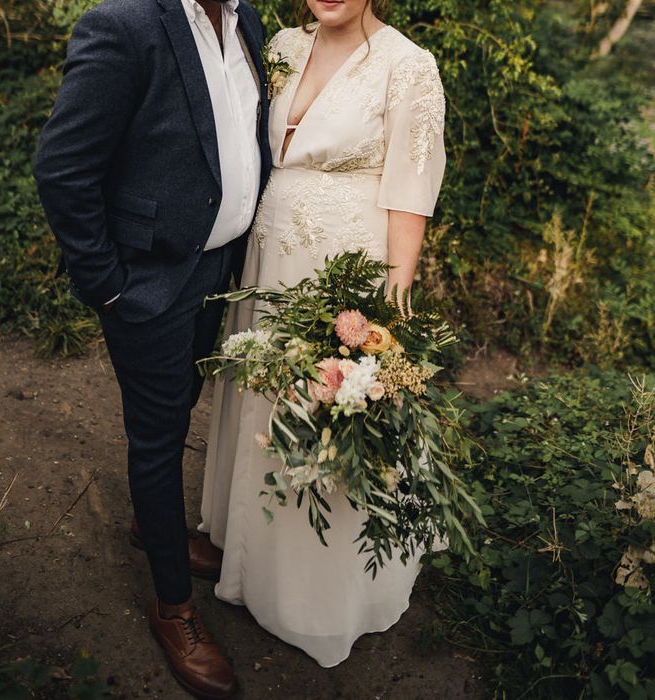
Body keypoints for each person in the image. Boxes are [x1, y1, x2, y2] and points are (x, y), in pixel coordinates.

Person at [33, 0, 271, 696]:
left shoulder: (247, 20)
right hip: (147, 282)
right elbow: (62, 169)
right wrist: (107, 286)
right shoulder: (125, 25)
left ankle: (152, 521)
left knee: (182, 404)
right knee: (160, 435)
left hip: (217, 270)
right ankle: (174, 609)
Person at [200, 0, 447, 668]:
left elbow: (411, 195)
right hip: (266, 262)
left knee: (327, 413)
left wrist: (387, 315)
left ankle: (318, 595)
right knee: (262, 398)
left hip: (342, 276)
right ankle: (245, 553)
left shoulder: (407, 66)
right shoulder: (280, 46)